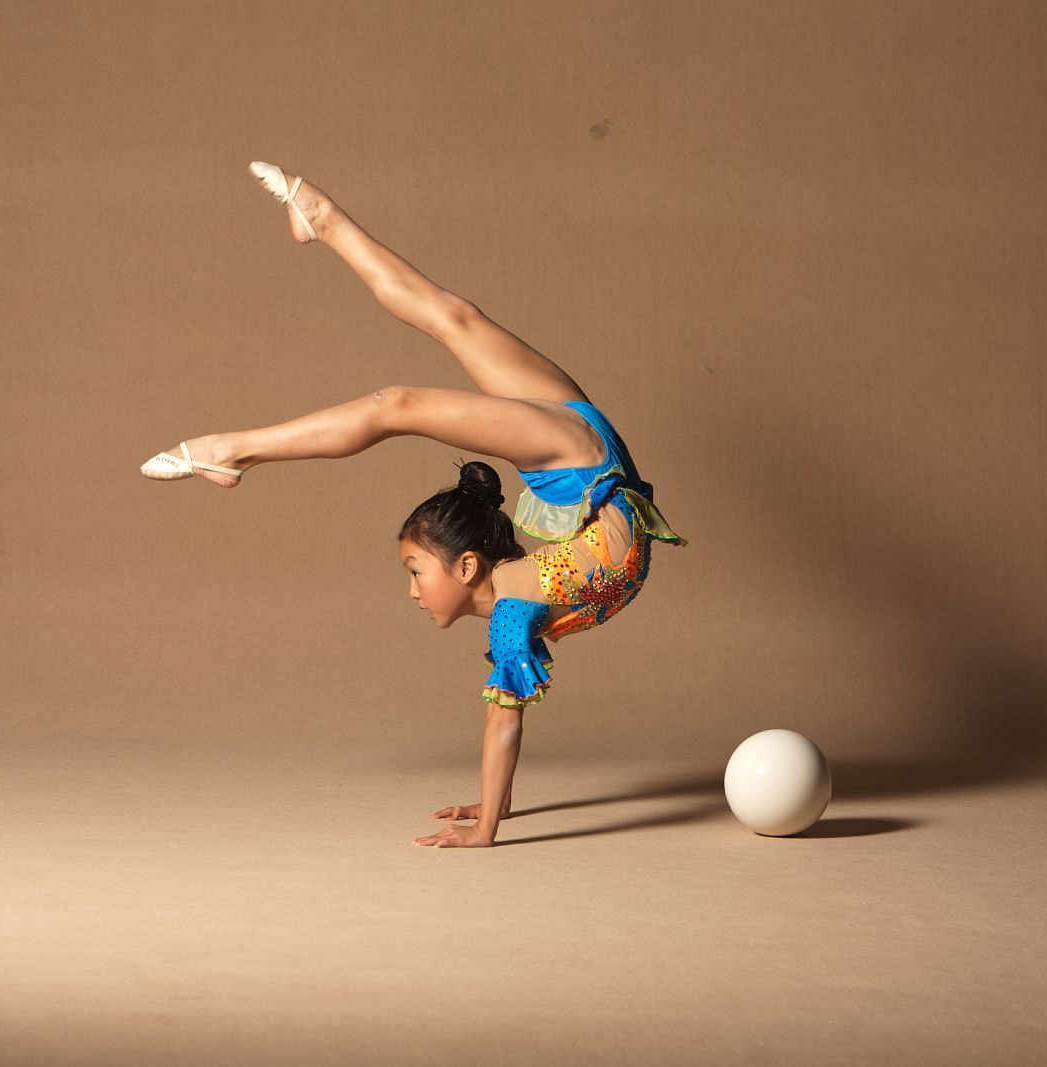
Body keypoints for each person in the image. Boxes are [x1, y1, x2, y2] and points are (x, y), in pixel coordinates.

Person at [141, 162, 688, 848]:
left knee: (416, 375)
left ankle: (236, 440)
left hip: (585, 463)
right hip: (583, 462)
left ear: (466, 566)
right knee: (437, 342)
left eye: (412, 569)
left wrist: (489, 822)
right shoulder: (515, 603)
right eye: (411, 571)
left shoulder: (514, 610)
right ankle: (318, 231)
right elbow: (505, 725)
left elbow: (505, 722)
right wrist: (494, 812)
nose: (410, 590)